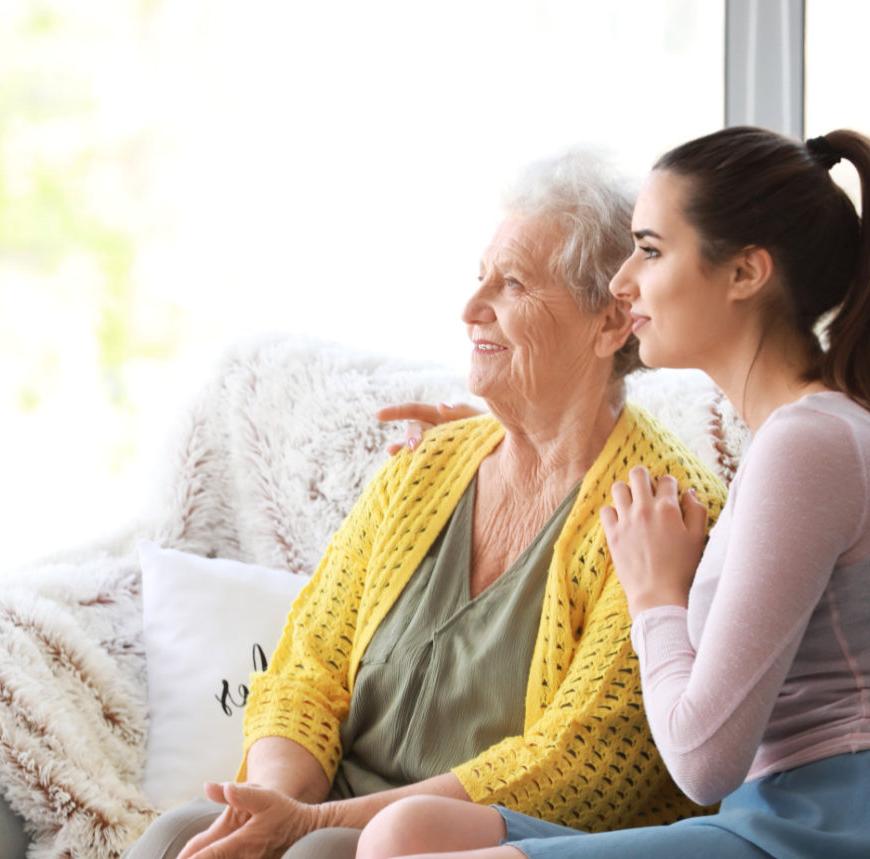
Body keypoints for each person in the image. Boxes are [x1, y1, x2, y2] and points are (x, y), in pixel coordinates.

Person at [122, 152, 726, 859]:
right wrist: (279, 806)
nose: (471, 310)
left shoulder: (659, 512)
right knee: (176, 832)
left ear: (611, 322)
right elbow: (306, 666)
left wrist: (311, 830)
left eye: (513, 284)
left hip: (461, 839)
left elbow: (566, 768)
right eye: (480, 278)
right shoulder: (426, 467)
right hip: (328, 803)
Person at [353, 125, 870, 859]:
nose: (623, 283)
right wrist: (518, 437)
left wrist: (656, 591)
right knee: (407, 831)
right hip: (764, 811)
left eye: (651, 250)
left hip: (817, 824)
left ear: (746, 272)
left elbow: (702, 762)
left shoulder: (806, 443)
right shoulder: (793, 440)